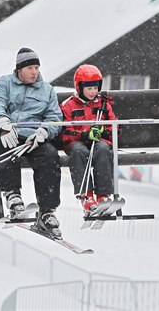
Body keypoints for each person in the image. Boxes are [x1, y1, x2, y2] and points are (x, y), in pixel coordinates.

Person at [0, 48, 63, 237]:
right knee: (7, 148)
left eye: (37, 67)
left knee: (50, 156)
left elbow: (54, 116)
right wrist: (4, 123)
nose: (34, 71)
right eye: (30, 67)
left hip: (34, 137)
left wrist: (43, 132)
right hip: (11, 132)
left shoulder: (47, 90)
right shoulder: (5, 83)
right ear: (19, 69)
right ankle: (13, 196)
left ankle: (47, 210)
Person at [60, 64, 118, 215]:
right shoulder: (68, 106)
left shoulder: (104, 104)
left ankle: (103, 195)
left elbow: (115, 127)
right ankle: (86, 196)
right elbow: (65, 132)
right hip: (77, 144)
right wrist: (85, 134)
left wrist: (103, 131)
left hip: (98, 143)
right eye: (89, 88)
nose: (93, 92)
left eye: (95, 87)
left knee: (104, 149)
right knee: (78, 151)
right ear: (79, 87)